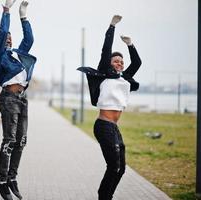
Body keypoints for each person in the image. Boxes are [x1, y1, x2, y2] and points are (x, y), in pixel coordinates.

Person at [78, 15, 142, 200]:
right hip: (103, 126)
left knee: (121, 168)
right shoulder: (104, 75)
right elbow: (106, 50)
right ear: (109, 64)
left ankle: (107, 197)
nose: (119, 63)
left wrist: (130, 45)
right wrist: (112, 27)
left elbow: (137, 63)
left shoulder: (125, 78)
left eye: (121, 61)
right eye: (116, 61)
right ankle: (103, 197)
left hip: (114, 127)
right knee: (113, 166)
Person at [0, 0, 36, 199]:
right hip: (8, 98)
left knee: (21, 140)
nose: (8, 39)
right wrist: (7, 11)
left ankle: (12, 178)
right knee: (9, 139)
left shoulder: (17, 55)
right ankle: (1, 180)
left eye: (9, 37)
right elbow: (2, 31)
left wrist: (23, 16)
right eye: (4, 37)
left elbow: (29, 39)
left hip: (22, 98)